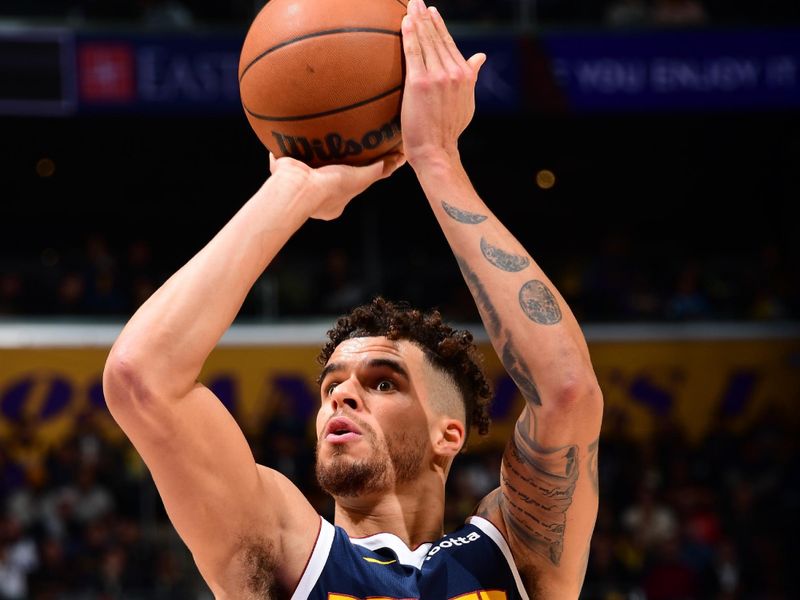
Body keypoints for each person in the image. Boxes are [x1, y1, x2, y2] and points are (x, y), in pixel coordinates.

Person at [102, 1, 603, 598]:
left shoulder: (511, 556)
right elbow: (142, 378)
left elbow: (567, 391)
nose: (341, 392)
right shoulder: (283, 552)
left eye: (384, 381)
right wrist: (291, 188)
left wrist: (438, 159)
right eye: (332, 384)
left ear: (451, 433)